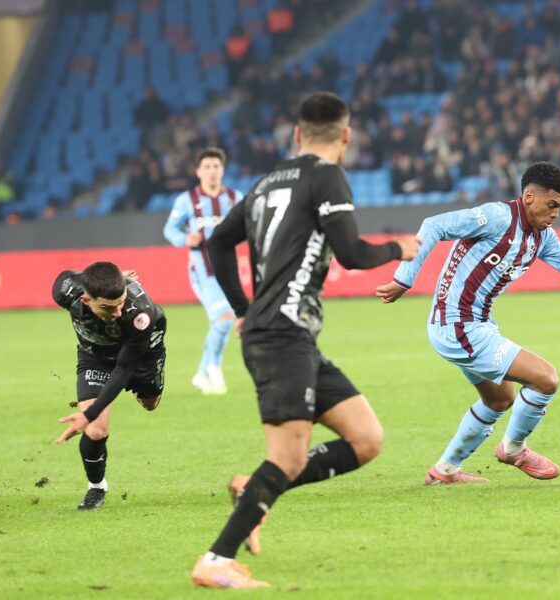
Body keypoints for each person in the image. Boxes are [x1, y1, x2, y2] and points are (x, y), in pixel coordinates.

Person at [191, 92, 419, 588]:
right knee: (289, 455)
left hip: (292, 336)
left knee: (366, 439)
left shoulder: (267, 181)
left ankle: (254, 490)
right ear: (347, 135)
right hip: (281, 337)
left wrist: (243, 308)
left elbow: (218, 241)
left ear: (297, 134)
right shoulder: (327, 176)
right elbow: (351, 253)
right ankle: (215, 560)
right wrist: (396, 248)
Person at [376, 162, 560, 485]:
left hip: (475, 325)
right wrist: (404, 279)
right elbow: (433, 225)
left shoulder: (542, 237)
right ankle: (513, 449)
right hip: (458, 326)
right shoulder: (497, 217)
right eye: (551, 205)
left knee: (499, 400)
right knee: (546, 379)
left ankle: (444, 471)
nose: (555, 214)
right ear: (529, 197)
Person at [52, 262, 167, 509]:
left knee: (150, 404)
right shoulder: (67, 291)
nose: (116, 312)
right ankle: (96, 488)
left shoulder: (140, 314)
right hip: (96, 357)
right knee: (95, 430)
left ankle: (144, 390)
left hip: (142, 354)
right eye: (107, 307)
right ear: (85, 299)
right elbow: (69, 278)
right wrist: (90, 417)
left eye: (120, 303)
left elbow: (123, 370)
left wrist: (87, 414)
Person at [163, 148, 243, 395]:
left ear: (223, 170)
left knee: (221, 322)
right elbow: (170, 230)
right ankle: (213, 368)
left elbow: (249, 224)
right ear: (198, 172)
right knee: (224, 318)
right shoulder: (187, 200)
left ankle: (201, 373)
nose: (212, 171)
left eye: (216, 166)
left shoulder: (235, 198)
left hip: (228, 269)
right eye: (207, 167)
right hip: (202, 271)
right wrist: (186, 238)